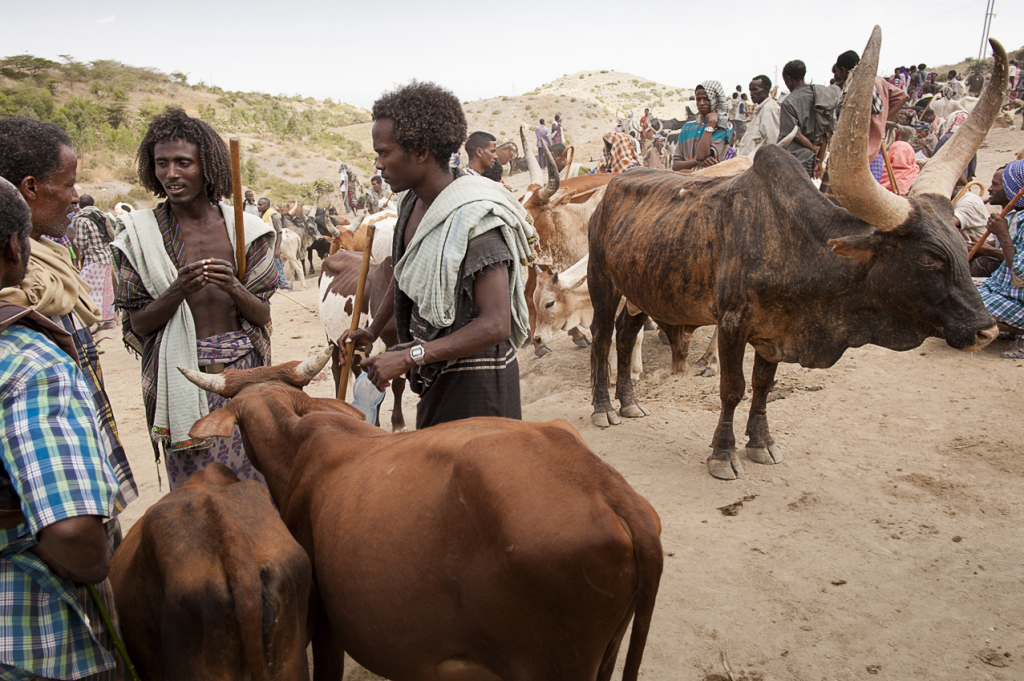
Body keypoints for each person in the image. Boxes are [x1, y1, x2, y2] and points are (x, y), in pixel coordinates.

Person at [341, 81, 536, 429]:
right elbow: (406, 271)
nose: (378, 165)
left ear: (421, 152)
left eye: (385, 152)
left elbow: (495, 324)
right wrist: (372, 330)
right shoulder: (411, 202)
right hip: (437, 373)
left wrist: (411, 356)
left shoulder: (476, 218)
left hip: (479, 386)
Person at [111, 108, 277, 490]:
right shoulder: (139, 237)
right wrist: (177, 291)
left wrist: (235, 287)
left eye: (183, 163)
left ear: (208, 167)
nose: (171, 174)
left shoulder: (246, 231)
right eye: (161, 163)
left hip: (242, 376)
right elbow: (139, 324)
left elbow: (262, 314)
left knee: (252, 485)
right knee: (197, 498)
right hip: (181, 380)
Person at [0, 177, 125, 681]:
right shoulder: (28, 362)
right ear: (16, 245)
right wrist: (94, 563)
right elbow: (76, 536)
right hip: (32, 638)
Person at [0, 117, 136, 515]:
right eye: (68, 184)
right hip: (51, 513)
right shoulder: (23, 289)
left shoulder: (52, 265)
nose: (76, 196)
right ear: (31, 188)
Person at [832, 50, 908, 182]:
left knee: (859, 187)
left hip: (857, 147)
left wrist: (883, 117)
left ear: (843, 70)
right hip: (875, 144)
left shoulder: (855, 83)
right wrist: (883, 118)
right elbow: (903, 97)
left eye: (839, 73)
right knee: (871, 185)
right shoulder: (878, 80)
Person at [977, 161, 1024, 358]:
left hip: (1018, 301)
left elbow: (1021, 273)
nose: (990, 188)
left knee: (960, 304)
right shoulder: (1018, 217)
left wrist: (1003, 234)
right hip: (1004, 291)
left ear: (1014, 188)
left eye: (996, 184)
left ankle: (1019, 330)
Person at [71, 194, 117, 331]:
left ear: (79, 205)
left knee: (87, 290)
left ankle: (92, 320)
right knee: (106, 290)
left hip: (93, 259)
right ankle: (108, 320)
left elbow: (81, 243)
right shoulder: (103, 215)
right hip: (107, 257)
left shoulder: (80, 219)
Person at [672, 81, 732, 171]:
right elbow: (676, 165)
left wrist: (711, 124)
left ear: (715, 101)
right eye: (698, 99)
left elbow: (701, 155)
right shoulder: (687, 127)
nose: (701, 103)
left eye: (706, 99)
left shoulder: (723, 128)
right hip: (686, 181)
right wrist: (697, 162)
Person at [777, 61, 823, 177]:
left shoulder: (789, 102)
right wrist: (820, 158)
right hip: (812, 159)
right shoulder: (819, 95)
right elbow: (825, 130)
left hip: (794, 159)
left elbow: (794, 134)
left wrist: (813, 148)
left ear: (788, 79)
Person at [737, 75, 781, 158]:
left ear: (766, 89)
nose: (751, 93)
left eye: (755, 90)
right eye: (750, 90)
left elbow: (772, 142)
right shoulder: (760, 109)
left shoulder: (769, 108)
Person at [257, 196, 290, 292]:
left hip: (273, 246)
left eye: (261, 204)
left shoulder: (273, 217)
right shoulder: (263, 216)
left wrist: (277, 249)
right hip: (265, 246)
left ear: (267, 205)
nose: (258, 206)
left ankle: (285, 286)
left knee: (278, 266)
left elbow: (279, 232)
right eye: (258, 204)